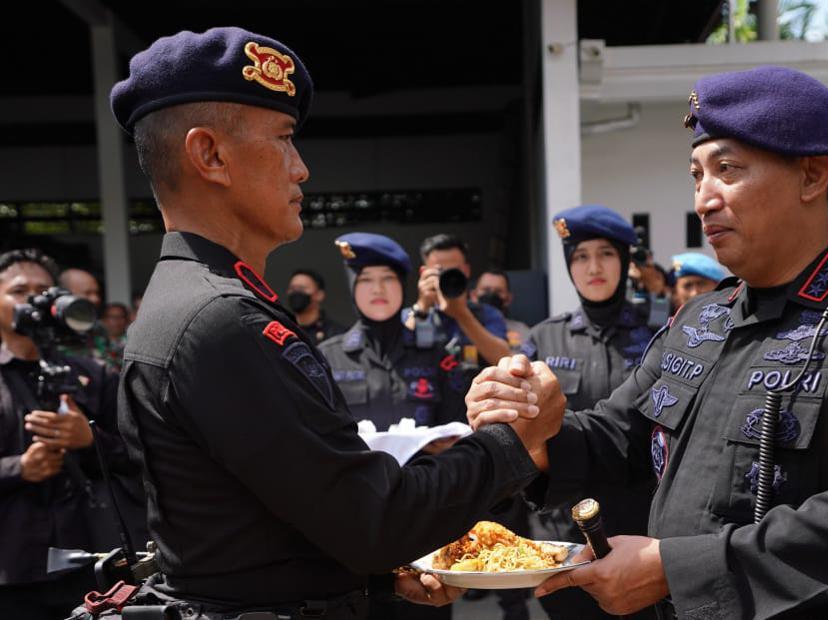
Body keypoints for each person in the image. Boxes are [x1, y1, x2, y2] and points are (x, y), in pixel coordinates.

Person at [465, 66, 828, 619]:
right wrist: (537, 427)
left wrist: (673, 569)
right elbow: (619, 437)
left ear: (813, 175)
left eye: (727, 170)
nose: (704, 199)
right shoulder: (703, 316)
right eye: (696, 175)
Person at [107, 27, 561, 618]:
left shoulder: (198, 302)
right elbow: (376, 520)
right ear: (210, 155)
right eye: (284, 140)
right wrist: (516, 440)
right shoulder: (220, 320)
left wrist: (374, 581)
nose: (301, 169)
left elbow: (260, 534)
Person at [521, 204, 658, 620]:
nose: (593, 266)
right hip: (563, 536)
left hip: (642, 533)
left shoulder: (663, 333)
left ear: (624, 261)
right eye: (580, 256)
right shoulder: (544, 337)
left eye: (605, 254)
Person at [0, 249, 137, 620]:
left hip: (90, 568)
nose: (32, 300)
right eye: (18, 290)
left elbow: (141, 454)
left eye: (43, 291)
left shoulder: (92, 374)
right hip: (10, 577)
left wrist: (91, 441)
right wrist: (18, 469)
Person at [320, 232, 465, 434]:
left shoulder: (437, 357)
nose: (378, 289)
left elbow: (457, 435)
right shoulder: (327, 358)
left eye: (388, 278)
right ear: (352, 288)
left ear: (403, 286)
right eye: (366, 280)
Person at [405, 234, 511, 367]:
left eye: (454, 272)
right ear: (424, 273)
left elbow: (504, 360)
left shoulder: (489, 314)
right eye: (440, 271)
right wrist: (422, 307)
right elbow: (394, 357)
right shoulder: (411, 315)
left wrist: (462, 314)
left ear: (466, 271)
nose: (448, 278)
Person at [474, 269, 531, 352]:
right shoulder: (462, 328)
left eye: (498, 291)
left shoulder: (520, 330)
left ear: (508, 299)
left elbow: (526, 359)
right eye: (486, 290)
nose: (491, 294)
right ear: (473, 296)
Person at [287, 267, 346, 345]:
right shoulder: (283, 330)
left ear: (319, 295)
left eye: (302, 288)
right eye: (292, 288)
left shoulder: (337, 335)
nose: (296, 292)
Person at [100, 301, 130, 371]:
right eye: (112, 317)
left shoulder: (132, 344)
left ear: (127, 320)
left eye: (121, 317)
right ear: (104, 320)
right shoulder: (94, 342)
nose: (117, 320)